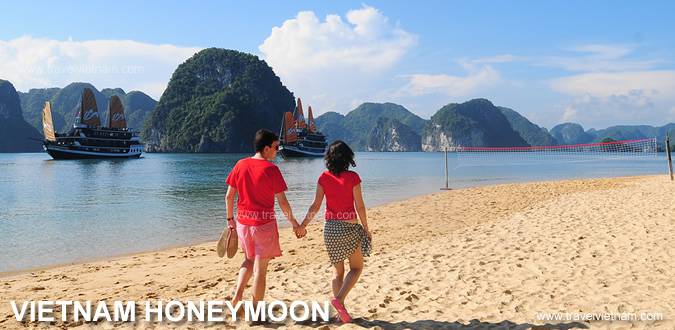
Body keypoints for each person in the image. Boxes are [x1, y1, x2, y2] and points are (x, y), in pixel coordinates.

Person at [224, 129, 305, 322]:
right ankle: (255, 314)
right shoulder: (271, 170)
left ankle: (236, 297)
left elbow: (229, 196)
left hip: (243, 223)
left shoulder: (240, 164)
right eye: (276, 147)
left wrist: (230, 221)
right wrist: (295, 224)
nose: (278, 151)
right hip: (264, 225)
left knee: (248, 260)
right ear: (267, 148)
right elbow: (283, 203)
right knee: (260, 269)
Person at [298, 140, 372, 323]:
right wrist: (366, 228)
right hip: (349, 228)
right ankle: (338, 300)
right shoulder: (353, 178)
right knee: (356, 267)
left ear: (329, 159)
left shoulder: (323, 178)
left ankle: (341, 314)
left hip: (330, 229)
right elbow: (360, 206)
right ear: (348, 157)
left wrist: (303, 225)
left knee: (337, 272)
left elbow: (315, 206)